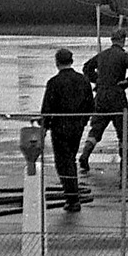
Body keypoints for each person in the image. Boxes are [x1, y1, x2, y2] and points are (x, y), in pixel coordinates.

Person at [79, 27, 128, 173]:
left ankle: (85, 154)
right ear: (123, 40)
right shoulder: (122, 55)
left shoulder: (102, 55)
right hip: (117, 97)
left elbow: (87, 68)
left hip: (100, 97)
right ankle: (125, 159)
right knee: (123, 130)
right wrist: (127, 82)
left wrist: (98, 81)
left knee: (96, 128)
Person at [40, 47, 93, 212]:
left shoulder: (54, 83)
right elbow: (91, 104)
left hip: (60, 127)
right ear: (72, 61)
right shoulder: (83, 80)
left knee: (63, 163)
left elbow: (47, 109)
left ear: (57, 62)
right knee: (71, 159)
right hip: (77, 127)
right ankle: (72, 194)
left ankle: (72, 198)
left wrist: (44, 128)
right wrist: (83, 121)